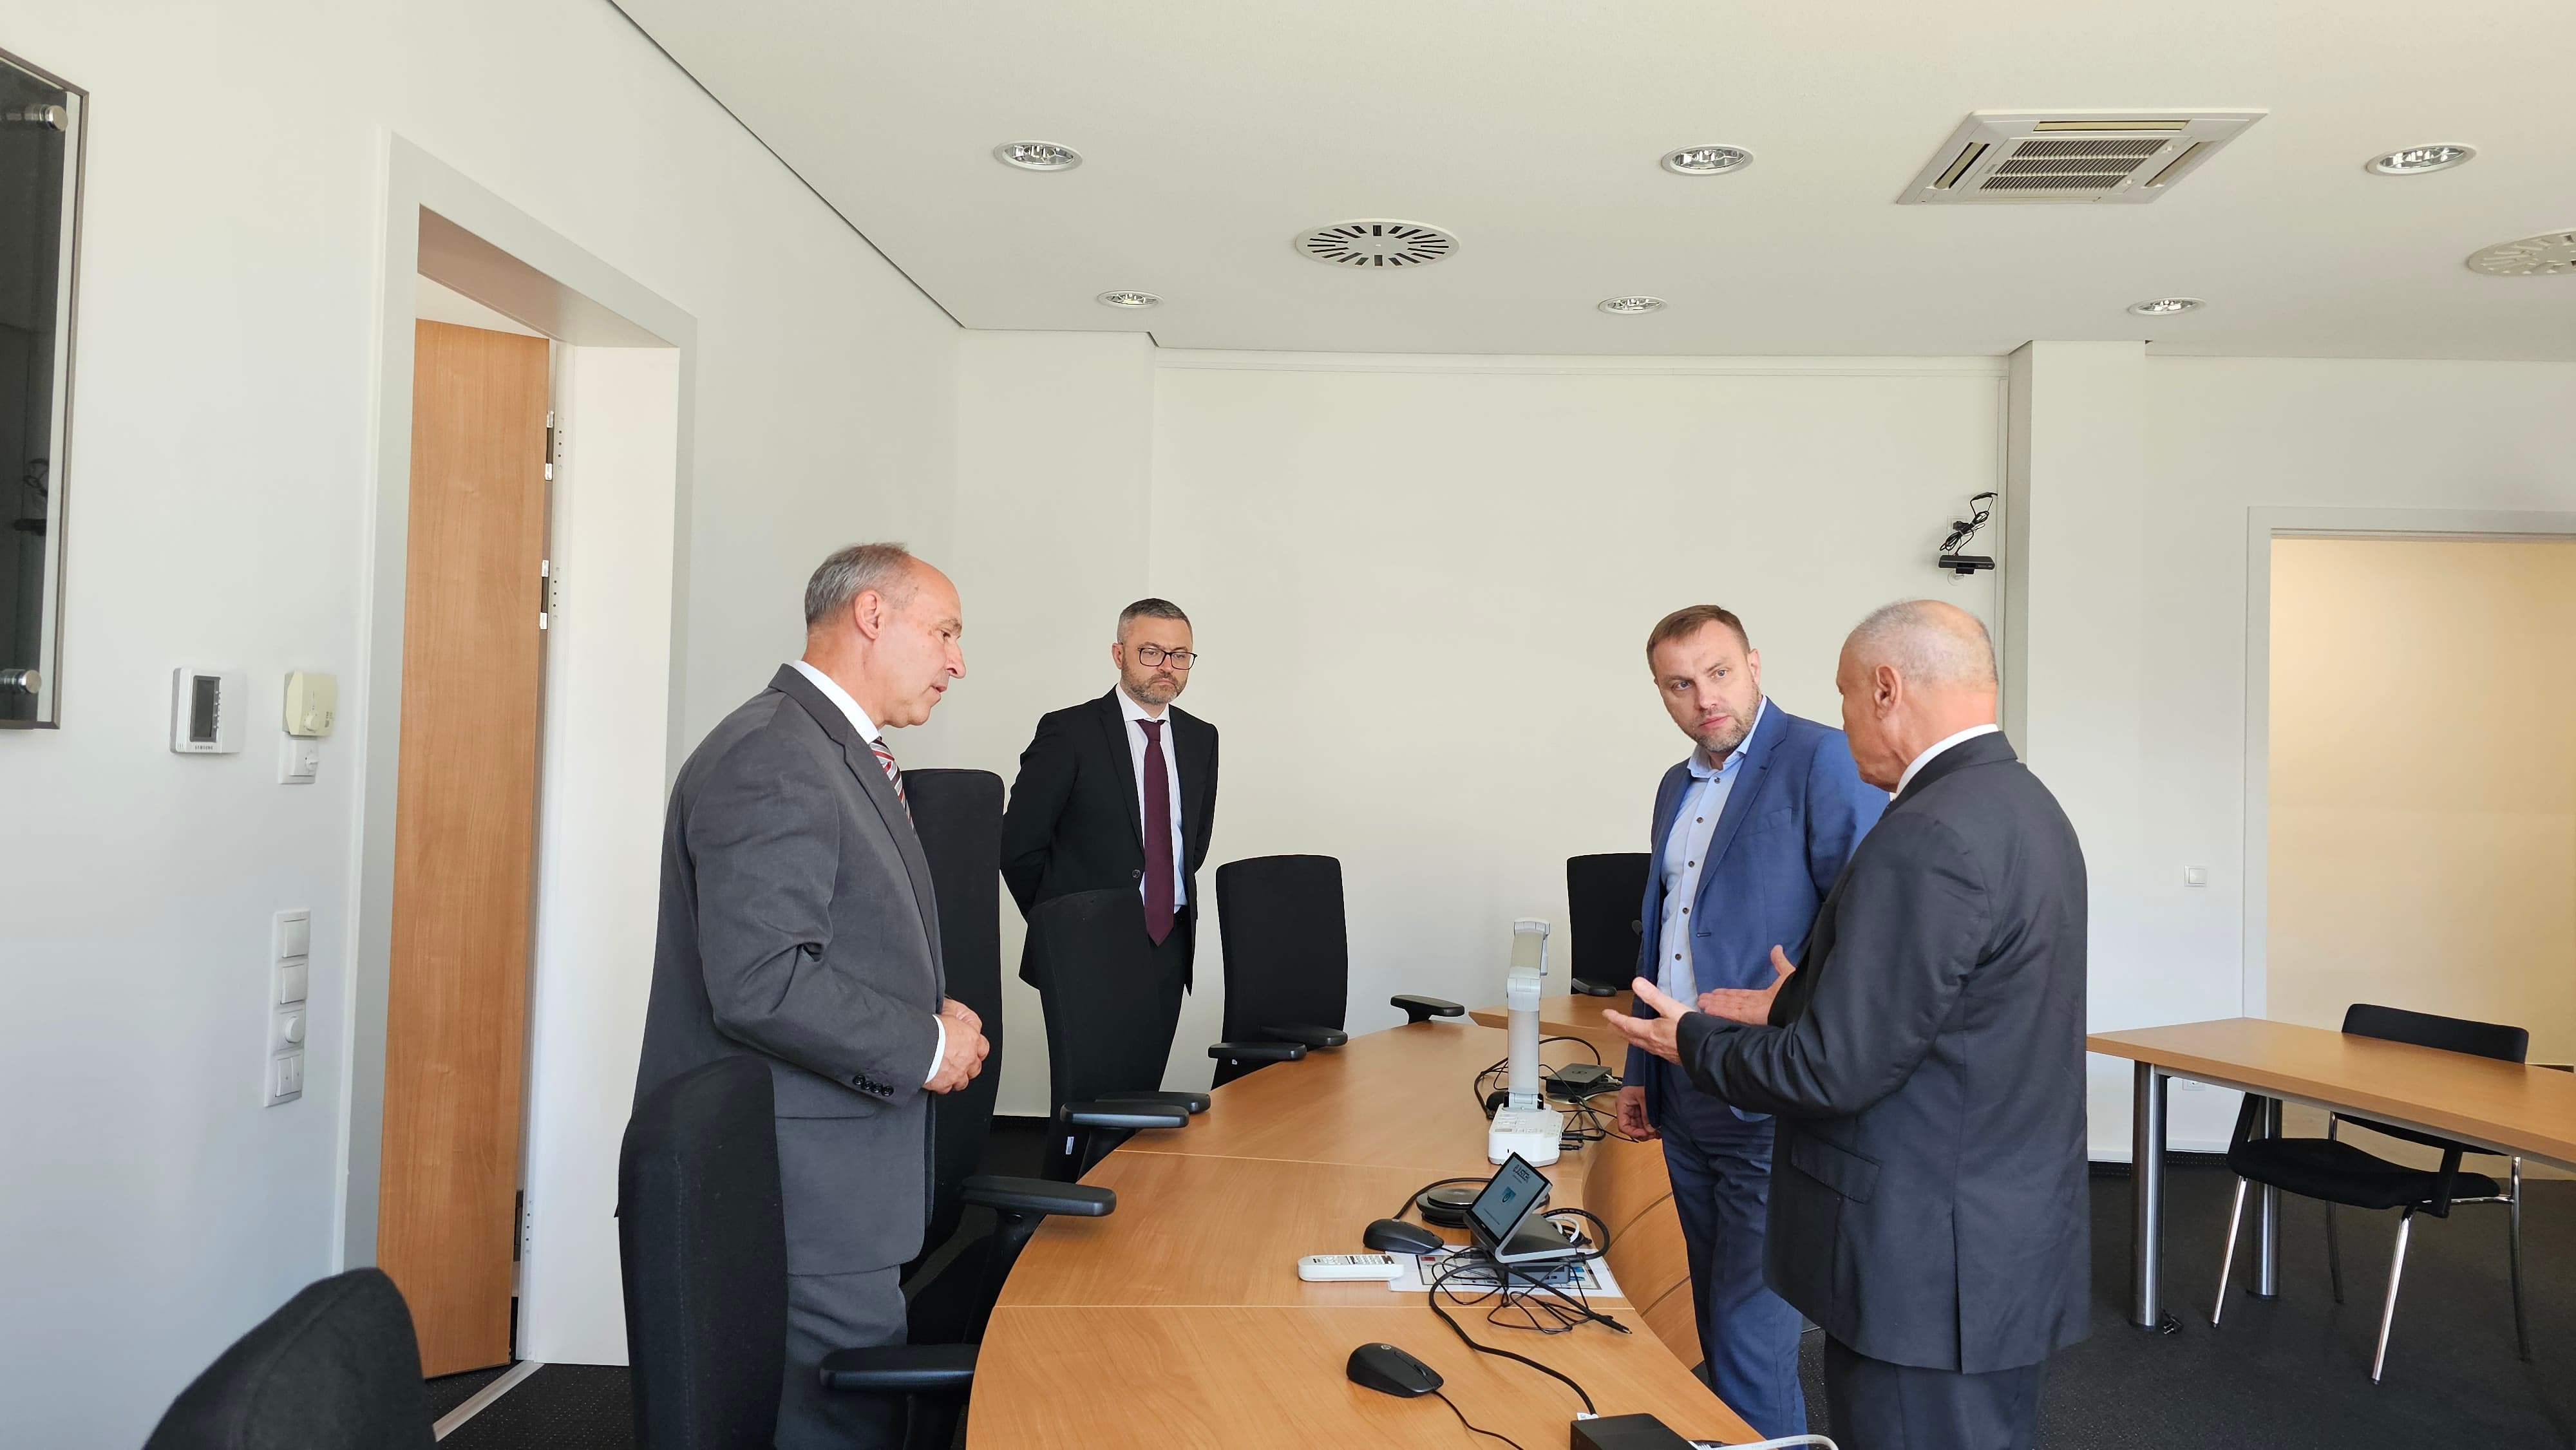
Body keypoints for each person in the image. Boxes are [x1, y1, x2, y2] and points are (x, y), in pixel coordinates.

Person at [1605, 599, 2088, 1450]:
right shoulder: (2020, 804)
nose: (1842, 717)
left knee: (1788, 1355)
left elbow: (1838, 1063)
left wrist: (1695, 1039)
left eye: (1844, 694)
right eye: (1678, 683)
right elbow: (1922, 992)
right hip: (1989, 1226)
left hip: (1923, 1243)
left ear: (1885, 690)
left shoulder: (1927, 831)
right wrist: (1792, 1001)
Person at [632, 541, 989, 1450]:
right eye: (945, 632)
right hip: (803, 1191)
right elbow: (761, 979)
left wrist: (928, 1017)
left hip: (835, 1183)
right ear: (872, 615)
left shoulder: (825, 750)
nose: (957, 661)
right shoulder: (775, 755)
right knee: (836, 1426)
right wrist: (925, 1045)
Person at [1612, 605, 1884, 1440]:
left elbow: (1870, 921)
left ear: (1754, 664)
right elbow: (1665, 933)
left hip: (1768, 1088)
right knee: (1714, 1318)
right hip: (1683, 1081)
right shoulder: (1675, 785)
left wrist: (1799, 1012)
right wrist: (1640, 1070)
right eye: (1678, 684)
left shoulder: (1818, 757)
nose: (1704, 697)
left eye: (1718, 672)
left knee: (1746, 1334)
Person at [1000, 599, 1218, 1069]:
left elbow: (1191, 844)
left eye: (1180, 655)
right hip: (1085, 942)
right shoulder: (1069, 731)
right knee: (1089, 1094)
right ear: (1119, 654)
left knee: (1145, 1093)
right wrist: (1064, 925)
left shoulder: (1201, 738)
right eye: (1151, 652)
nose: (1167, 666)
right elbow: (1018, 846)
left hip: (1169, 942)